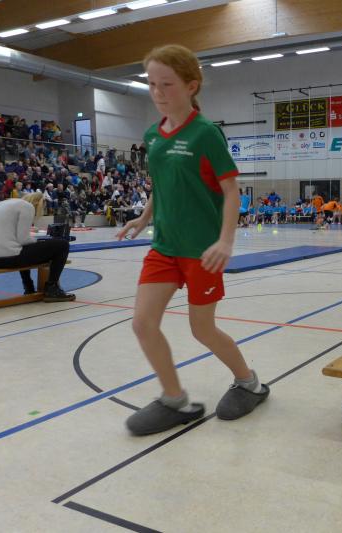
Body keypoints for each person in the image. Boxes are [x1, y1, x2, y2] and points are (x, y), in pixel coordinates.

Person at [116, 44, 269, 436]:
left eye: (167, 84)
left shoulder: (205, 133)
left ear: (191, 85)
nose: (158, 92)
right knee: (142, 324)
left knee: (202, 330)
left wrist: (226, 241)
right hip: (164, 247)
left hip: (203, 252)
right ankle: (175, 400)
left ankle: (249, 383)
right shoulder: (153, 136)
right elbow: (162, 182)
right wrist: (144, 217)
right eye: (152, 84)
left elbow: (231, 191)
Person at [0, 192, 74, 301]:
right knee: (62, 245)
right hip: (7, 258)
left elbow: (18, 241)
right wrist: (38, 241)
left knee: (23, 249)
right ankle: (52, 288)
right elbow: (23, 239)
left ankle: (28, 287)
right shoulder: (27, 207)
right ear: (39, 204)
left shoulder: (2, 204)